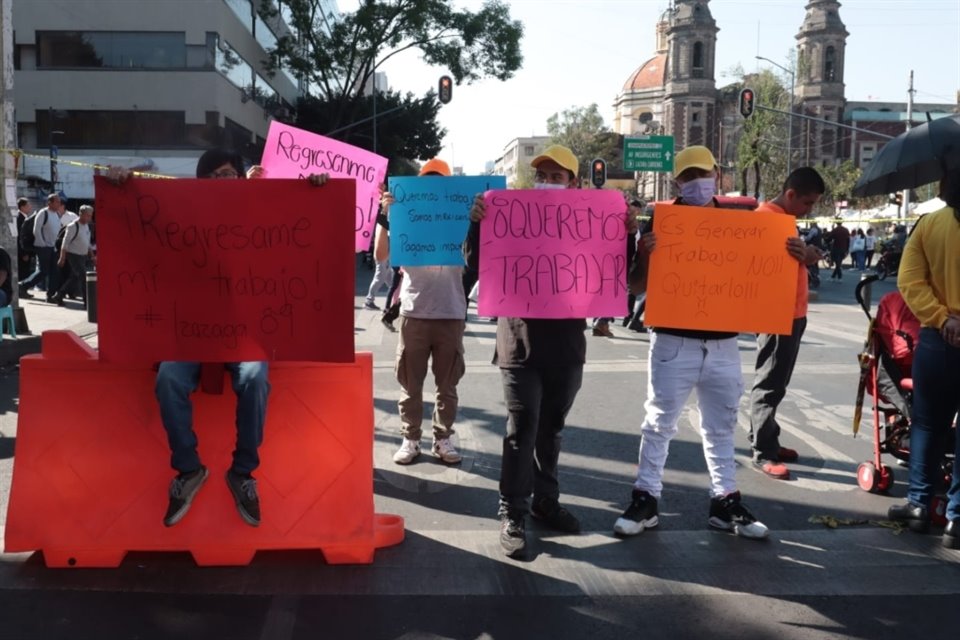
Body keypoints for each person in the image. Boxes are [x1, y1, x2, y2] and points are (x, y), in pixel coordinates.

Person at [110, 149, 330, 528]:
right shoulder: (183, 217)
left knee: (255, 378)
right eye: (212, 176)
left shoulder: (258, 215)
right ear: (199, 184)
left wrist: (313, 191)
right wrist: (122, 186)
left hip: (245, 332)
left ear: (241, 179)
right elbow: (142, 225)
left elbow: (302, 230)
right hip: (191, 332)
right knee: (168, 380)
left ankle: (243, 473)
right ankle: (189, 470)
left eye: (228, 173)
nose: (221, 181)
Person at [465, 144, 637, 556]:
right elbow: (475, 266)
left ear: (574, 183)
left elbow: (616, 275)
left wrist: (626, 234)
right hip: (519, 344)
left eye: (557, 177)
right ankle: (513, 511)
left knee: (552, 430)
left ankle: (546, 502)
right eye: (542, 175)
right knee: (521, 431)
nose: (548, 182)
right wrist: (476, 226)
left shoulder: (592, 221)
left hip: (566, 347)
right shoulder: (505, 214)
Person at [613, 145, 768, 540]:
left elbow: (762, 274)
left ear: (716, 172)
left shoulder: (741, 222)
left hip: (723, 344)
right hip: (672, 341)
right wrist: (645, 255)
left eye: (703, 172)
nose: (696, 181)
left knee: (722, 425)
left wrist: (796, 255)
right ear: (677, 181)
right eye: (688, 175)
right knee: (658, 423)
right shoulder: (660, 222)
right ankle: (646, 497)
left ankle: (725, 501)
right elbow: (634, 286)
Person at [887, 166, 960, 550]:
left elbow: (909, 281)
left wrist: (943, 318)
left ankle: (918, 506)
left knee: (928, 425)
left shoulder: (929, 225)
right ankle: (957, 520)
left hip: (937, 339)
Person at [377, 158, 467, 466]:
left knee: (448, 385)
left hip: (451, 312)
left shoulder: (461, 218)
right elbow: (380, 254)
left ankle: (442, 438)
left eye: (438, 180)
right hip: (414, 313)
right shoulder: (404, 216)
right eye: (426, 180)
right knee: (410, 384)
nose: (432, 187)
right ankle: (410, 438)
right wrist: (386, 217)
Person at [747, 168, 825, 479]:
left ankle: (768, 439)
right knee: (770, 382)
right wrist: (805, 254)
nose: (810, 210)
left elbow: (791, 258)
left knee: (777, 381)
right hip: (778, 313)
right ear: (791, 194)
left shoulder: (782, 219)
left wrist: (806, 255)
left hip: (792, 313)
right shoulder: (769, 218)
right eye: (807, 203)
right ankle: (763, 451)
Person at [49, 205, 96, 307]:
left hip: (83, 256)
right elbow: (64, 243)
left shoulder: (86, 226)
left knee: (75, 277)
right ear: (81, 214)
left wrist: (92, 256)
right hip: (74, 255)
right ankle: (88, 302)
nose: (89, 218)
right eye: (87, 215)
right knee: (83, 278)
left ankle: (59, 295)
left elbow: (87, 243)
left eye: (90, 216)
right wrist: (62, 257)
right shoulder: (73, 226)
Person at [16, 198, 36, 299]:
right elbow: (20, 237)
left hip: (26, 250)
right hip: (23, 252)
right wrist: (23, 253)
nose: (30, 207)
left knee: (25, 271)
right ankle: (21, 291)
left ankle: (23, 291)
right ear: (22, 207)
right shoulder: (19, 218)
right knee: (23, 272)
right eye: (28, 205)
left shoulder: (24, 217)